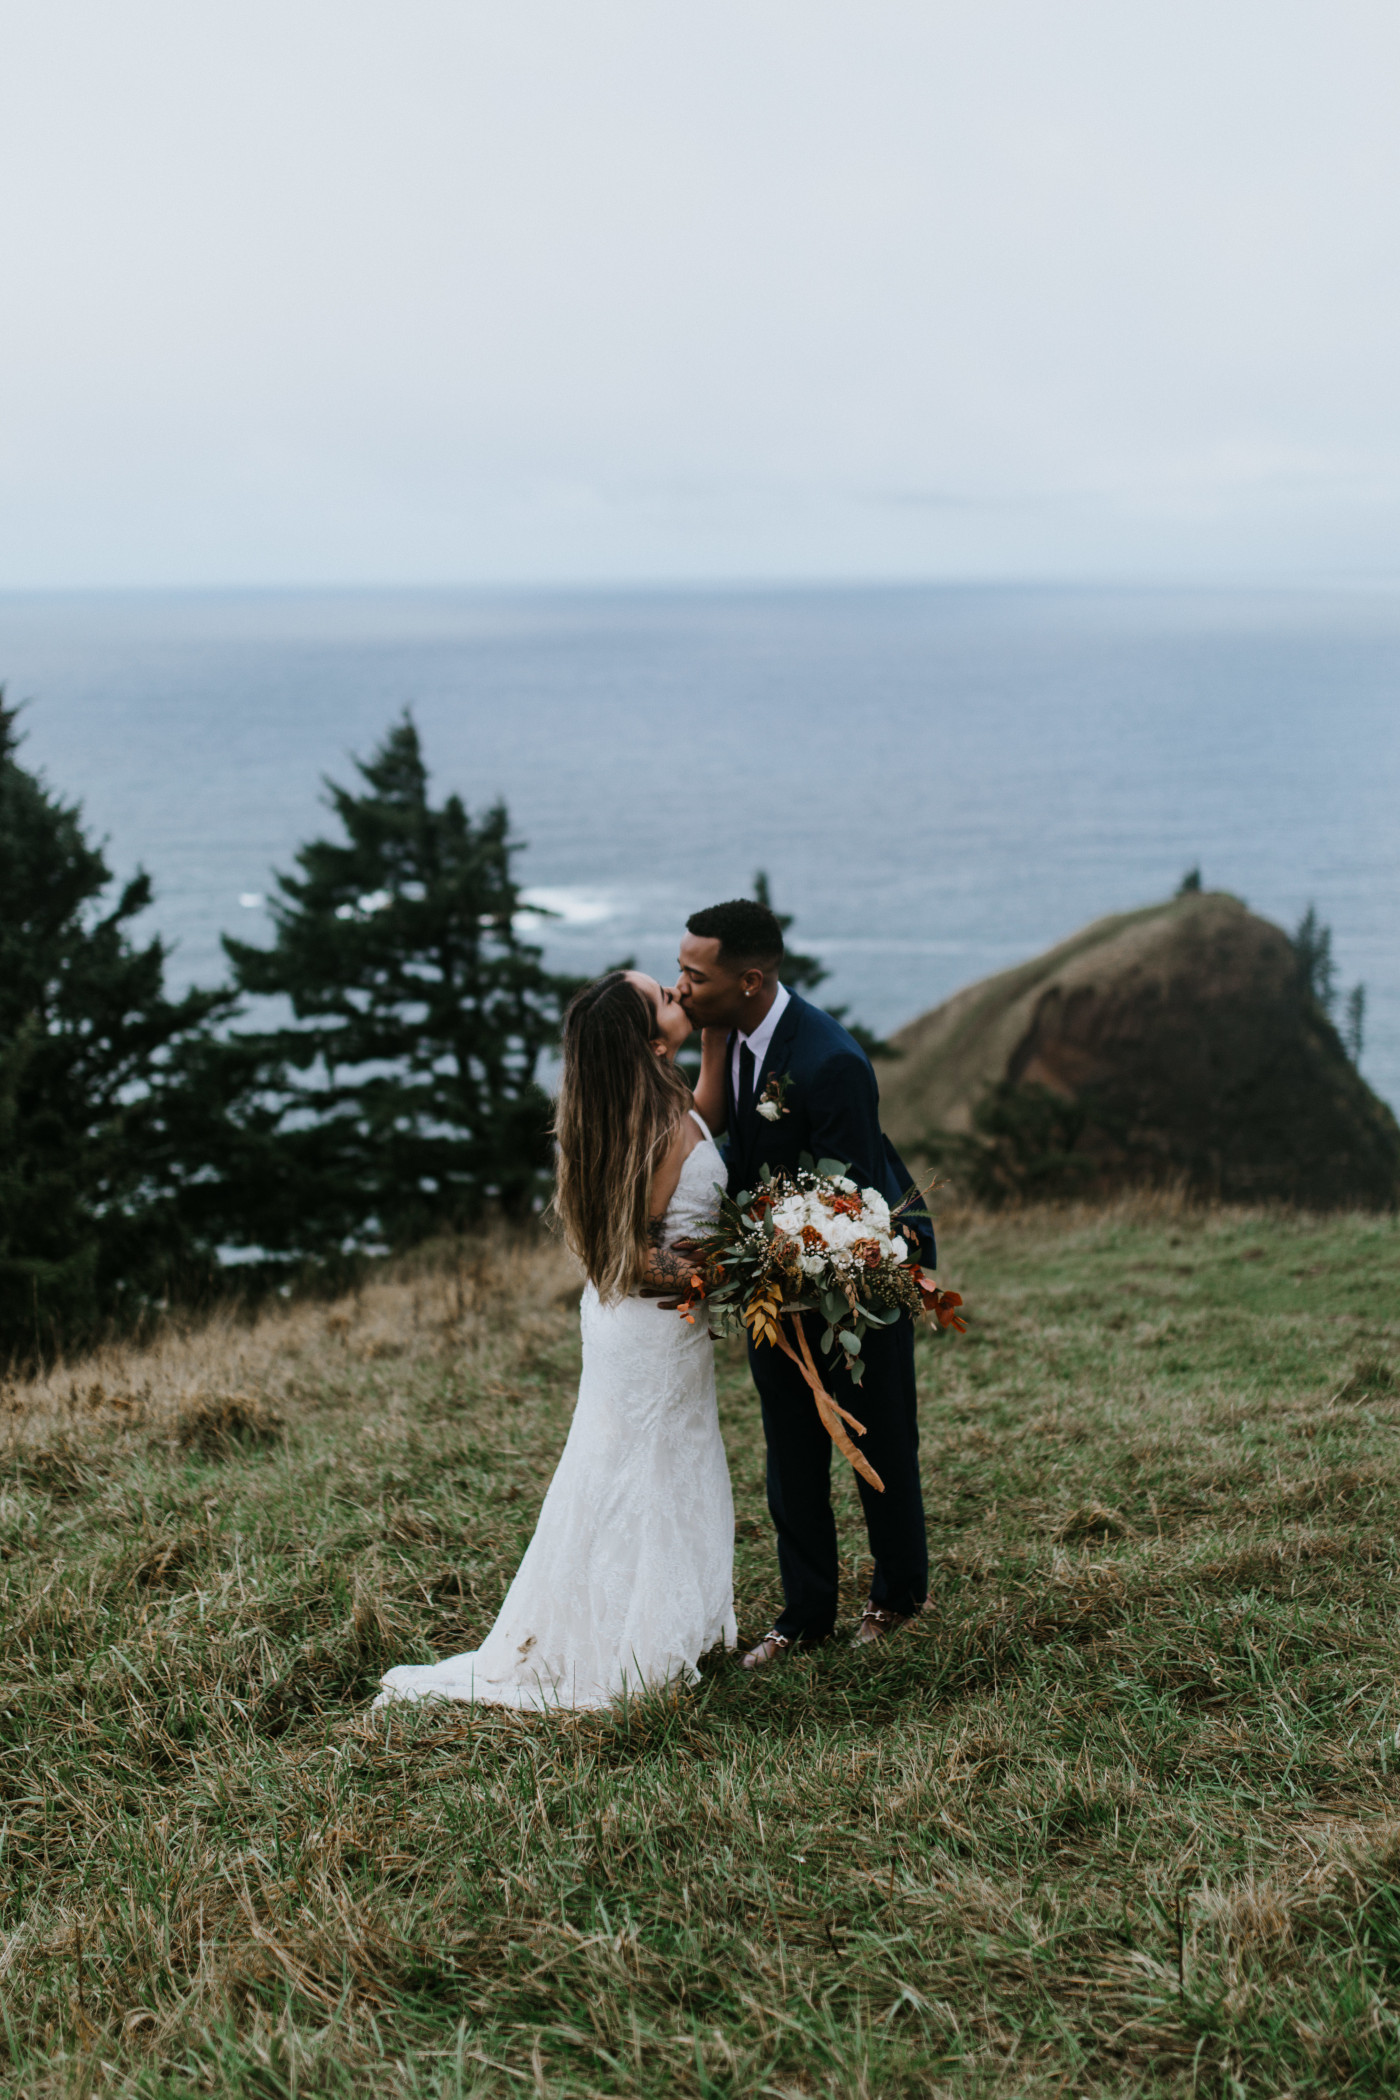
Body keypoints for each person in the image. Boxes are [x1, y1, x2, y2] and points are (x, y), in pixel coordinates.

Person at [375, 971, 735, 1712]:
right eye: (665, 998)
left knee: (630, 1469)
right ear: (647, 1040)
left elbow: (710, 1114)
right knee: (647, 1477)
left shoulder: (640, 1104)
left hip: (637, 1331)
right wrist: (726, 1272)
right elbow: (631, 1258)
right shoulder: (658, 1130)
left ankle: (655, 1624)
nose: (677, 989)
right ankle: (630, 1645)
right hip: (651, 1330)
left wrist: (714, 1036)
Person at [679, 897, 934, 1667]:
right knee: (790, 1449)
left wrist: (780, 1261)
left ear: (749, 980)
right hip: (773, 1283)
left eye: (695, 974)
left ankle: (897, 1598)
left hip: (859, 1277)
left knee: (879, 1437)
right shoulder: (730, 1039)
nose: (682, 986)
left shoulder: (829, 1061)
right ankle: (804, 1615)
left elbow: (854, 1200)